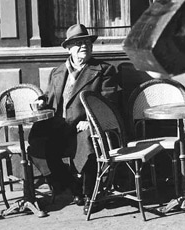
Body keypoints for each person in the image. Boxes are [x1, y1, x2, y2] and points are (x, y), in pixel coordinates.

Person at [28, 23, 118, 213]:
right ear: (69, 48)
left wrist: (92, 119)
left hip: (84, 126)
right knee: (36, 139)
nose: (83, 46)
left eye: (86, 42)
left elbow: (110, 102)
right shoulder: (58, 72)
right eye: (78, 43)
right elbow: (50, 96)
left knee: (87, 139)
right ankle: (70, 186)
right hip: (59, 126)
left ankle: (89, 195)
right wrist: (41, 101)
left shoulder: (104, 70)